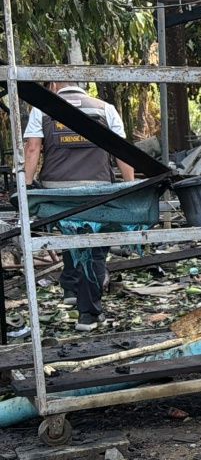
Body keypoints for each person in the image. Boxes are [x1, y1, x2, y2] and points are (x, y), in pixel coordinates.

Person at [22, 82, 134, 332]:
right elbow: (123, 153)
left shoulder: (41, 110)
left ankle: (71, 288)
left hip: (57, 191)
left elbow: (32, 148)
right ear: (83, 85)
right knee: (94, 248)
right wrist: (130, 188)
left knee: (70, 237)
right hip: (97, 190)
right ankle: (88, 315)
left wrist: (27, 186)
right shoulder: (106, 109)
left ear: (54, 85)